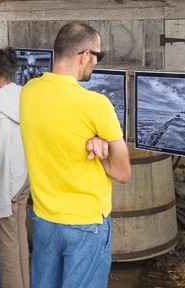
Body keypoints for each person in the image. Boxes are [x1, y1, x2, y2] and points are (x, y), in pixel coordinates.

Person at [19, 21, 131, 288]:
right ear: (85, 56)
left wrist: (93, 138)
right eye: (98, 56)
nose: (96, 62)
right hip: (86, 223)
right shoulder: (96, 105)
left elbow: (60, 131)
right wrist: (102, 151)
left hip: (44, 219)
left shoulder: (28, 93)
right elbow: (122, 172)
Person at [0, 47, 29, 288]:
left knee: (8, 243)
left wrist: (0, 193)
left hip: (9, 179)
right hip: (25, 176)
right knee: (20, 235)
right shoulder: (22, 94)